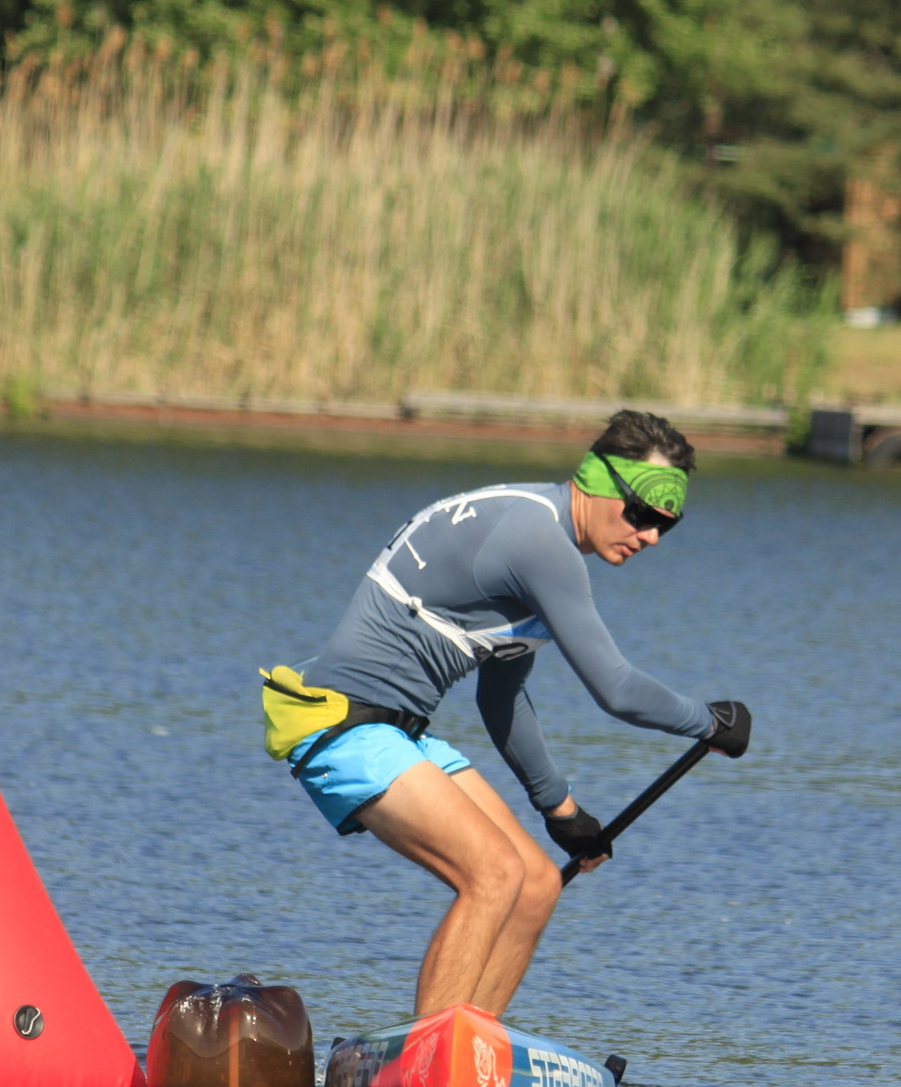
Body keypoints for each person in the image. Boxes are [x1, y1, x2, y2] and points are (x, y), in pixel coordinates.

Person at [261, 410, 751, 1018]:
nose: (650, 536)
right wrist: (710, 721)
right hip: (342, 725)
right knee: (492, 876)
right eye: (642, 514)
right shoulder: (537, 540)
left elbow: (501, 698)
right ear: (598, 481)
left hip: (397, 731)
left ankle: (470, 1050)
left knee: (537, 884)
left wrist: (562, 811)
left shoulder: (539, 545)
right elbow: (617, 689)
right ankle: (430, 1054)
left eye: (666, 526)